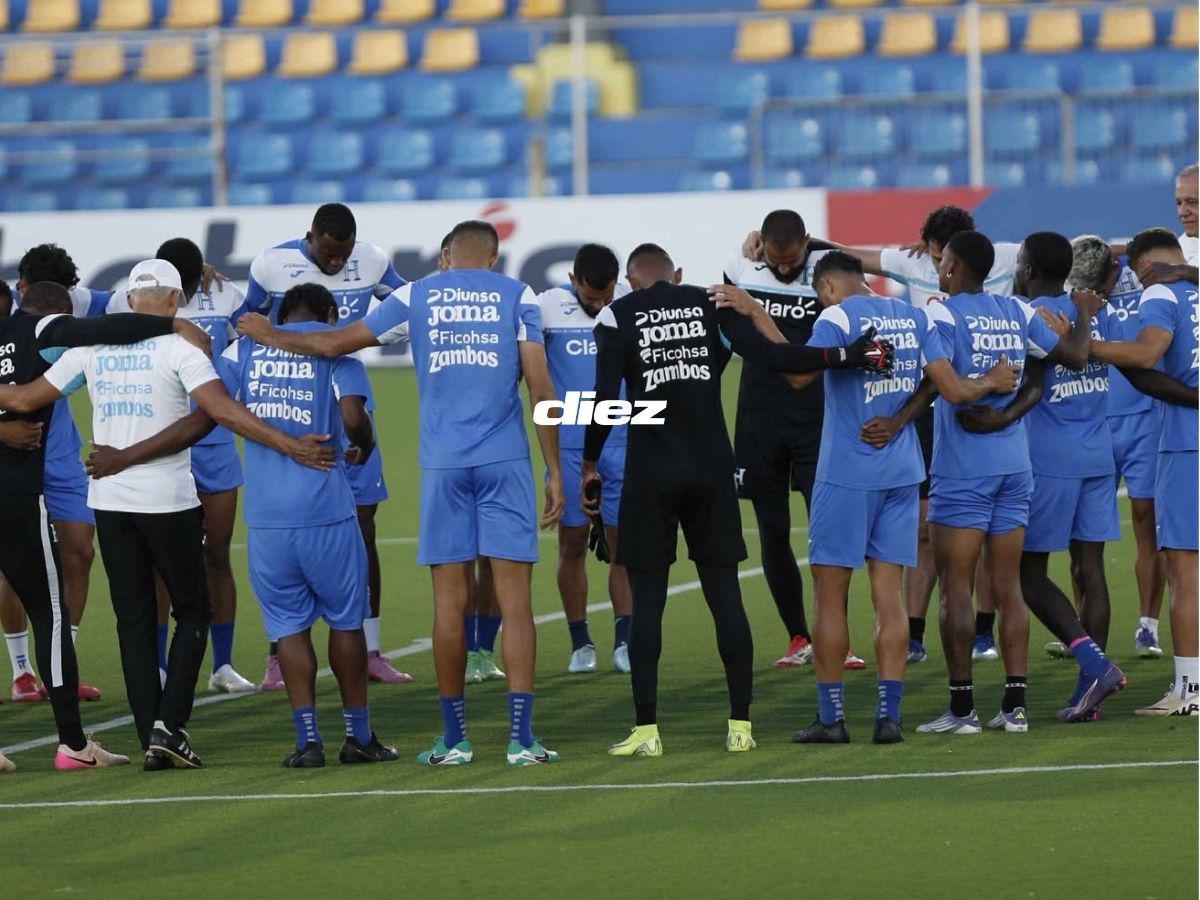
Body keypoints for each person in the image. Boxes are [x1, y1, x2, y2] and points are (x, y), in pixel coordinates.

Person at [237, 220, 566, 766]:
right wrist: (554, 468)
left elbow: (338, 342)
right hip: (506, 462)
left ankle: (456, 739)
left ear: (444, 257)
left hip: (442, 467)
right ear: (493, 257)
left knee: (448, 604)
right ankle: (522, 740)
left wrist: (273, 335)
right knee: (516, 604)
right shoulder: (519, 294)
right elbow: (541, 387)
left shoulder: (417, 294)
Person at [3, 260, 336, 769]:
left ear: (132, 302)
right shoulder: (183, 347)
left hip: (109, 502)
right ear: (175, 302)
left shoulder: (92, 350)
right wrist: (289, 445)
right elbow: (221, 411)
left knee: (133, 622)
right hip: (169, 501)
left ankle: (148, 739)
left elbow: (25, 397)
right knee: (193, 612)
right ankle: (169, 726)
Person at [590, 244, 892, 758]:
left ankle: (646, 731)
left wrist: (588, 464)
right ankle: (740, 727)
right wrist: (848, 354)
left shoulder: (616, 315)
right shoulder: (712, 305)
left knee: (648, 605)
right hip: (712, 469)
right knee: (724, 595)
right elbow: (777, 359)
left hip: (652, 472)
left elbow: (603, 400)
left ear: (630, 281)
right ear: (677, 273)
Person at [722, 252, 1015, 745]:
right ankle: (889, 717)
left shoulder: (836, 317)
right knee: (889, 598)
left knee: (830, 597)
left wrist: (756, 314)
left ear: (828, 288)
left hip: (847, 472)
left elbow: (799, 374)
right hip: (902, 472)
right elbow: (946, 387)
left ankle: (832, 718)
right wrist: (987, 382)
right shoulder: (912, 313)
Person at [865, 231, 1097, 734]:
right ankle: (1014, 709)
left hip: (964, 470)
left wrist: (983, 385)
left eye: (943, 260)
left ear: (950, 268)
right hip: (1016, 465)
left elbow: (943, 385)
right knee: (1009, 587)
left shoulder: (941, 313)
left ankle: (962, 710)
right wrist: (1083, 314)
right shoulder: (1014, 311)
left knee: (955, 590)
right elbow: (1075, 357)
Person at [0, 279, 199, 771]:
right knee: (49, 611)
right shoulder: (35, 328)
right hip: (15, 494)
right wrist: (170, 323)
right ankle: (73, 744)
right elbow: (105, 328)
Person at [246, 203, 411, 689]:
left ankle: (373, 648)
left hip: (348, 392)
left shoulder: (374, 260)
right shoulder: (270, 265)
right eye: (328, 254)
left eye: (343, 256)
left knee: (364, 524)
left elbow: (409, 302)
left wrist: (377, 334)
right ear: (311, 236)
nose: (336, 263)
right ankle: (279, 655)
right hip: (288, 401)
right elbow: (248, 320)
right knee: (287, 530)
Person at [106, 239, 256, 695]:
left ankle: (223, 665)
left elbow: (247, 339)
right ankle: (158, 665)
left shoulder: (228, 294)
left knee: (218, 551)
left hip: (211, 436)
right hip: (158, 441)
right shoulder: (123, 300)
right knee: (159, 564)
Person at [723, 211, 866, 670]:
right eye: (776, 259)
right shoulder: (742, 266)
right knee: (772, 530)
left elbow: (839, 341)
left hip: (817, 416)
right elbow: (736, 338)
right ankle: (798, 636)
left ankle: (836, 639)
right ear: (760, 244)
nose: (784, 268)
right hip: (759, 417)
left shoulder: (831, 269)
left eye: (792, 259)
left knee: (824, 531)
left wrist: (777, 341)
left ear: (807, 242)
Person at [1014, 233, 1130, 723]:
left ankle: (1095, 665)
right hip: (1097, 454)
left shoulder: (1033, 314)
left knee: (1029, 574)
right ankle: (1089, 692)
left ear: (1029, 267)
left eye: (1019, 261)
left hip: (1050, 457)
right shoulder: (1092, 310)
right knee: (1090, 570)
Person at [1090, 228, 1199, 717]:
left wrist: (1084, 347)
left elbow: (1147, 352)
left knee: (1184, 569)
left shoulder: (1160, 292)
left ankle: (1190, 693)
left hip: (1185, 442)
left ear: (1141, 268)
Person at [0, 244, 111, 704]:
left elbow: (127, 304)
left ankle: (60, 664)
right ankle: (22, 669)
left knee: (80, 551)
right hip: (13, 456)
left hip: (60, 451)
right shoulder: (7, 314)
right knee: (15, 562)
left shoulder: (69, 306)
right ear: (19, 288)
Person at [538, 243, 633, 674]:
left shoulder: (630, 299)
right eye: (591, 299)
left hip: (623, 440)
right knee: (572, 543)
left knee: (622, 547)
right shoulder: (546, 308)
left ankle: (626, 643)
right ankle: (581, 644)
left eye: (606, 297)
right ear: (574, 281)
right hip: (572, 447)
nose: (599, 306)